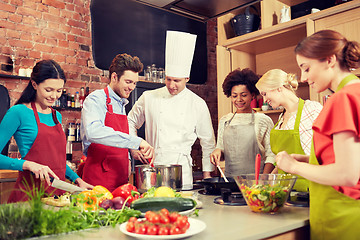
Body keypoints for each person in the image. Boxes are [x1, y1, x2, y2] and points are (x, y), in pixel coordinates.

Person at [276, 30, 360, 239]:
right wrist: (309, 159)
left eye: (306, 68)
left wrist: (294, 166)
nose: (303, 78)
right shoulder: (356, 91)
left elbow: (347, 175)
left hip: (341, 217)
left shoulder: (343, 98)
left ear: (329, 60)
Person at [127, 31, 216, 190]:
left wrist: (207, 176)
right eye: (168, 79)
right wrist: (134, 148)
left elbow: (208, 142)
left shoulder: (197, 103)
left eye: (177, 81)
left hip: (182, 170)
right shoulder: (149, 97)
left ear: (187, 79)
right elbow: (130, 121)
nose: (171, 85)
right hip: (153, 169)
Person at [0, 60, 93, 203]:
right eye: (48, 90)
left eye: (59, 90)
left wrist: (78, 180)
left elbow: (58, 163)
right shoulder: (18, 112)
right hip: (29, 197)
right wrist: (27, 164)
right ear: (34, 84)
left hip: (57, 197)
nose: (54, 96)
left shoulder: (57, 116)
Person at [81, 53, 154, 192]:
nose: (132, 87)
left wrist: (130, 152)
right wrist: (136, 141)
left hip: (120, 180)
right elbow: (93, 131)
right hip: (98, 181)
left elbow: (116, 138)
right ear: (114, 77)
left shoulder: (121, 104)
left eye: (134, 83)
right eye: (128, 82)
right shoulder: (96, 99)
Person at [256, 69, 322, 192]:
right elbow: (282, 161)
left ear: (278, 88)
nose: (264, 100)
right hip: (285, 191)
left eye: (265, 93)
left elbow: (323, 155)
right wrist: (269, 179)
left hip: (309, 190)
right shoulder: (281, 119)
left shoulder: (312, 110)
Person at [210, 68, 275, 177]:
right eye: (234, 96)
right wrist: (217, 152)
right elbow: (221, 148)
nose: (238, 99)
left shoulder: (263, 120)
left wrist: (263, 180)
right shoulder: (225, 120)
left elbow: (271, 155)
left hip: (255, 183)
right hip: (229, 181)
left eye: (244, 95)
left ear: (253, 95)